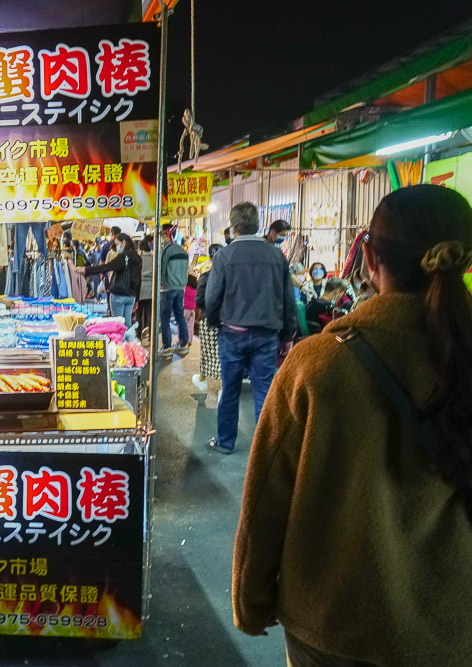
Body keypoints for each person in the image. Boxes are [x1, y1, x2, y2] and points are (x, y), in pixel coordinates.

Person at [233, 185, 472, 666]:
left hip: (332, 625)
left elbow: (268, 498)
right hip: (452, 627)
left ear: (367, 257)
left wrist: (252, 599)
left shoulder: (318, 364)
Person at [205, 202, 297, 454]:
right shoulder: (276, 256)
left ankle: (225, 442)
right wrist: (288, 335)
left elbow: (212, 297)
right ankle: (266, 449)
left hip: (232, 334)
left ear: (233, 228)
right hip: (267, 336)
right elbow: (287, 298)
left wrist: (213, 323)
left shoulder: (223, 256)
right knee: (264, 391)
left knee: (230, 389)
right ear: (258, 226)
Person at [77, 232, 142, 326]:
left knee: (117, 324)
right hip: (131, 296)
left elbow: (106, 267)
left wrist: (85, 270)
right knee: (127, 324)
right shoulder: (137, 257)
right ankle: (129, 340)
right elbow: (139, 279)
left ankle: (120, 341)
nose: (116, 247)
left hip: (118, 294)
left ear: (123, 242)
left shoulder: (123, 257)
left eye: (117, 244)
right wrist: (137, 299)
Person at [194, 243, 223, 406]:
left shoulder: (206, 276)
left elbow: (199, 299)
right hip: (227, 320)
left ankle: (213, 386)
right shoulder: (230, 275)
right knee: (223, 353)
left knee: (209, 352)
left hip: (209, 318)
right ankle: (220, 386)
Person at [159, 223, 191, 356]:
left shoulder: (166, 250)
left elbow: (161, 269)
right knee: (180, 317)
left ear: (166, 235)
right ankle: (183, 344)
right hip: (181, 289)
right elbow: (187, 270)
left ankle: (167, 347)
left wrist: (161, 283)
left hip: (167, 289)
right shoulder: (183, 251)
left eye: (161, 235)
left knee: (165, 318)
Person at [135, 236, 155, 340]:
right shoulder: (153, 258)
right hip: (151, 289)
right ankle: (151, 337)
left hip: (140, 289)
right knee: (150, 315)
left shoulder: (138, 258)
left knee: (139, 315)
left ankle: (138, 336)